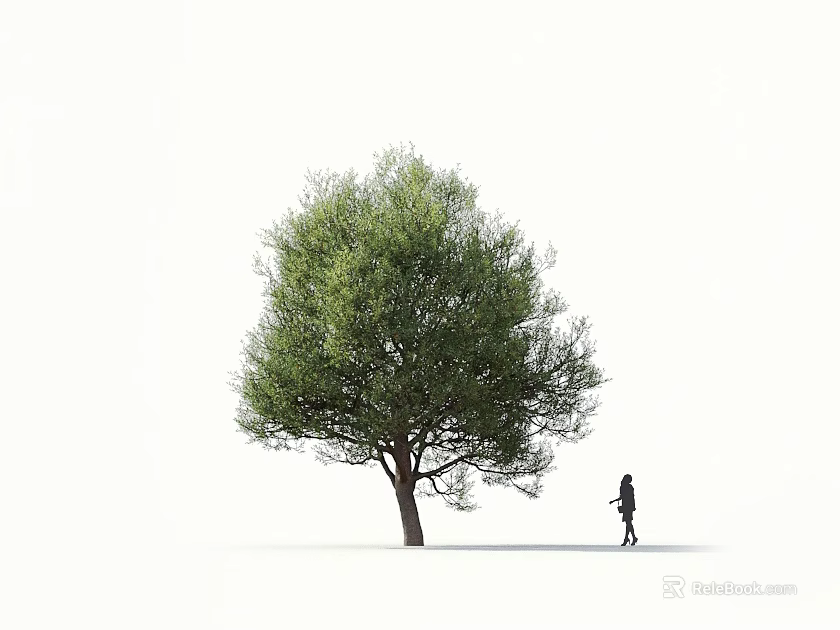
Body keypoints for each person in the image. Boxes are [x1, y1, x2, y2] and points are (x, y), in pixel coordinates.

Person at [609, 474, 638, 546]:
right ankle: (631, 538)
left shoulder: (624, 487)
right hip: (629, 507)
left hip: (627, 506)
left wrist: (613, 501)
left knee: (628, 523)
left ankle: (628, 538)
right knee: (628, 523)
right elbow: (631, 497)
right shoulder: (629, 487)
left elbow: (623, 497)